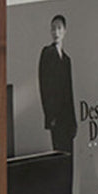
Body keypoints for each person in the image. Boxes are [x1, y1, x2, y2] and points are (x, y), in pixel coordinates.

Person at [38, 14, 77, 155]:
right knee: (59, 154)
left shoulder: (67, 59)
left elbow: (69, 92)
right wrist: (50, 116)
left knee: (69, 155)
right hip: (56, 117)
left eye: (59, 28)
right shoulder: (47, 53)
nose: (56, 32)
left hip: (67, 118)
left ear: (65, 31)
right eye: (53, 29)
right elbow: (44, 86)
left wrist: (73, 121)